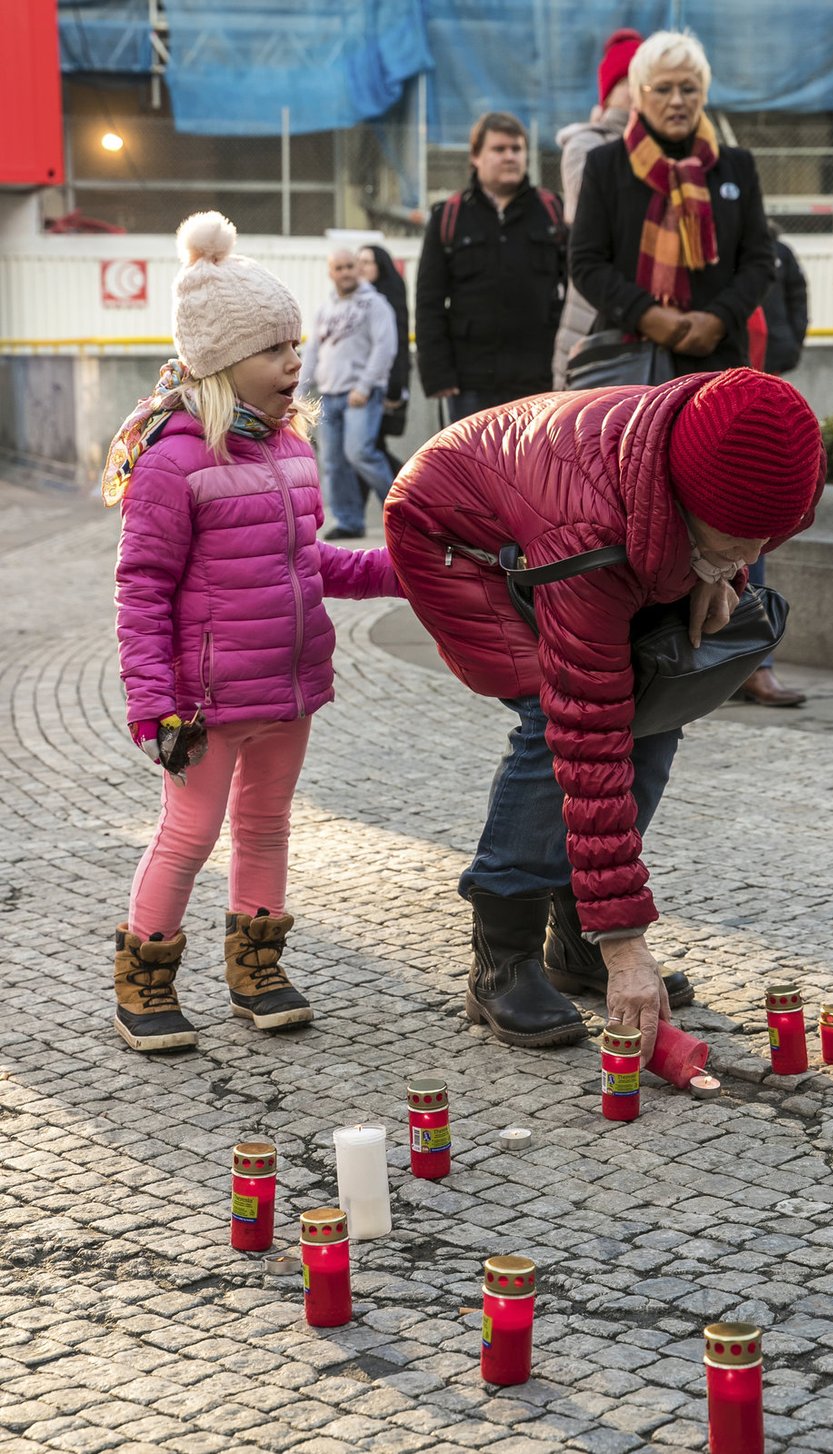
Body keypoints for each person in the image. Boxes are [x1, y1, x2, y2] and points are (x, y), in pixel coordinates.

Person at [386, 369, 825, 1064]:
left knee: (653, 703)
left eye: (763, 544)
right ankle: (502, 956)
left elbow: (730, 516)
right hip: (455, 538)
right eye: (737, 541)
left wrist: (718, 572)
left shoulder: (699, 477)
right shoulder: (589, 533)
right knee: (553, 719)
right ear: (689, 503)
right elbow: (585, 735)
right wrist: (629, 945)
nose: (753, 558)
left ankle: (574, 942)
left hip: (579, 523)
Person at [103, 211, 400, 1054]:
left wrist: (403, 568)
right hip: (206, 701)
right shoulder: (174, 459)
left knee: (267, 826)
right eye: (276, 350)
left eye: (296, 345)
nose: (295, 364)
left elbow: (316, 566)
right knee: (189, 836)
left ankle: (256, 969)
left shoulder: (290, 450)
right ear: (223, 361)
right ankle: (145, 983)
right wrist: (152, 702)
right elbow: (143, 587)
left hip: (287, 684)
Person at [570, 29, 775, 376]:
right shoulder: (605, 165)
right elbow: (586, 262)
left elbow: (758, 261)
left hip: (716, 359)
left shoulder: (737, 167)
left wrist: (717, 319)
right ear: (638, 95)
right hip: (628, 358)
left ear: (704, 94)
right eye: (663, 89)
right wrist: (648, 316)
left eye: (689, 88)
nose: (677, 101)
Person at [415, 111, 566, 422]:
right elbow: (429, 302)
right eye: (499, 149)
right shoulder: (448, 218)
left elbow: (575, 293)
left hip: (539, 378)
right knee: (473, 470)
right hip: (470, 381)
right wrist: (438, 375)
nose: (510, 157)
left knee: (535, 470)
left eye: (517, 149)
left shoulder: (553, 212)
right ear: (475, 156)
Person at [737, 222, 811, 707]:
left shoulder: (769, 251)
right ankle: (697, 662)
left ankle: (752, 664)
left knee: (751, 529)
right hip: (682, 390)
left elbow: (788, 306)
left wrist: (788, 350)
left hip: (754, 386)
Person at [552, 28, 643, 389]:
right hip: (592, 314)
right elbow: (588, 213)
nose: (638, 91)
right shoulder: (586, 145)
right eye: (628, 82)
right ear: (610, 92)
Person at [298, 248, 397, 539]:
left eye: (350, 266)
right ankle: (349, 521)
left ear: (358, 269)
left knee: (360, 454)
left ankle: (403, 509)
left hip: (360, 395)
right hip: (329, 394)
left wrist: (364, 386)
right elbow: (313, 352)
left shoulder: (375, 305)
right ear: (331, 273)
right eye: (338, 268)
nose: (345, 272)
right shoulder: (324, 310)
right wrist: (298, 392)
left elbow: (385, 347)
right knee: (332, 462)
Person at [356, 243, 411, 474]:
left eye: (367, 262)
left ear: (381, 267)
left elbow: (397, 345)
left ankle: (407, 490)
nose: (360, 268)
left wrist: (395, 389)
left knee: (365, 451)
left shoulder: (388, 298)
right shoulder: (355, 298)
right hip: (358, 387)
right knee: (364, 451)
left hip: (384, 388)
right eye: (357, 262)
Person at [762, 222, 809, 376]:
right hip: (738, 348)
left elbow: (798, 297)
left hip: (774, 347)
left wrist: (794, 340)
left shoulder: (781, 252)